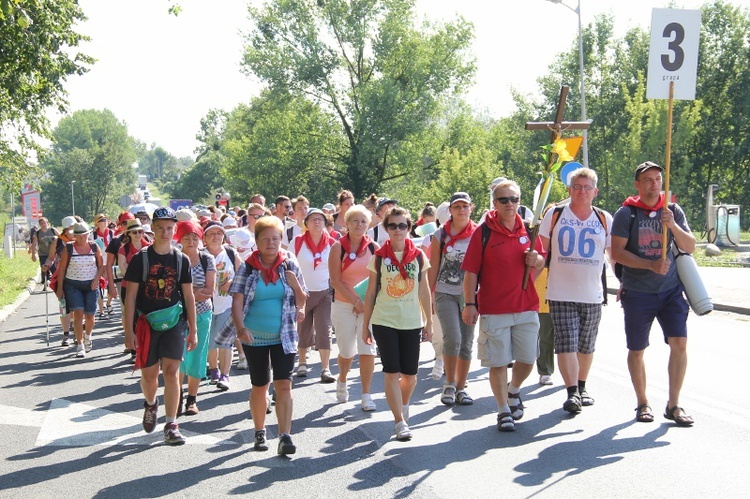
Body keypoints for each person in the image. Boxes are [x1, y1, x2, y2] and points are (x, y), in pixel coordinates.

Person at [610, 161, 696, 427]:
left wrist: (673, 227)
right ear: (637, 184)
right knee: (637, 349)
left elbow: (690, 246)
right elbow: (617, 253)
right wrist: (649, 264)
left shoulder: (672, 211)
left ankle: (674, 404)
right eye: (647, 180)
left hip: (670, 290)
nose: (654, 184)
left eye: (658, 179)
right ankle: (643, 402)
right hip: (638, 292)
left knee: (679, 344)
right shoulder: (626, 214)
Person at [217, 215, 308, 455]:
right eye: (266, 239)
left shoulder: (289, 264)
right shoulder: (248, 267)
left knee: (284, 385)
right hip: (253, 336)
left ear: (281, 240)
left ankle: (285, 435)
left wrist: (297, 291)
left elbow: (303, 298)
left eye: (275, 239)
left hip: (284, 334)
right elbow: (236, 302)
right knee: (260, 385)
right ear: (257, 241)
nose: (271, 243)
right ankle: (259, 431)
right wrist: (240, 329)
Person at [461, 179, 545, 432]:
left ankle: (514, 390)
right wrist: (469, 303)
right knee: (498, 362)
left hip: (526, 306)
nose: (510, 204)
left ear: (520, 201)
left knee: (528, 359)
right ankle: (502, 410)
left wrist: (537, 259)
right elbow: (470, 273)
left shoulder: (530, 230)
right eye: (504, 199)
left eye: (514, 199)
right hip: (494, 309)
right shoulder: (484, 231)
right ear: (495, 203)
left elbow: (539, 265)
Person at [539, 168, 613, 413]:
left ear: (595, 191)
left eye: (587, 187)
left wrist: (624, 283)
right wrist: (530, 277)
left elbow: (613, 257)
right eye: (577, 187)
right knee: (566, 343)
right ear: (569, 190)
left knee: (586, 345)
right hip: (560, 292)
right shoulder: (556, 215)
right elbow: (542, 253)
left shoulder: (604, 218)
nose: (582, 191)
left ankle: (582, 386)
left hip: (592, 294)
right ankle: (572, 393)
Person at [123, 207, 198, 445]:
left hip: (174, 322)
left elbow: (188, 297)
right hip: (146, 323)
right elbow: (131, 297)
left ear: (174, 229)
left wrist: (193, 329)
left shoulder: (181, 260)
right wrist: (128, 331)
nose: (165, 232)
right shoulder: (140, 259)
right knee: (149, 375)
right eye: (160, 228)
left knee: (172, 373)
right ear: (152, 229)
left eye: (169, 228)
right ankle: (151, 404)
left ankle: (172, 424)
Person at [363, 207, 432, 441]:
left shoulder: (419, 256)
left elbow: (424, 290)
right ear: (386, 229)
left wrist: (429, 322)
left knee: (410, 375)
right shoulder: (379, 257)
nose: (398, 230)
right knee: (391, 372)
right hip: (385, 320)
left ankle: (402, 404)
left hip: (412, 320)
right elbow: (371, 293)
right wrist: (366, 325)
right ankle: (399, 421)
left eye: (403, 225)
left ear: (409, 228)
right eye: (393, 226)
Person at [428, 192, 478, 406]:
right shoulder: (441, 234)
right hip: (445, 291)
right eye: (456, 206)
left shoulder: (478, 233)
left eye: (465, 206)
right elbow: (433, 266)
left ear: (471, 208)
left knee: (466, 342)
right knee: (453, 338)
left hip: (470, 295)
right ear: (450, 210)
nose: (461, 210)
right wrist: (429, 294)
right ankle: (449, 384)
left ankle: (461, 387)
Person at [329, 204, 380, 410]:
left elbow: (379, 278)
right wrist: (355, 301)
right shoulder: (337, 247)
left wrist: (366, 303)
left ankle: (366, 394)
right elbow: (335, 280)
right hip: (343, 305)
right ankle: (342, 379)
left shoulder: (374, 248)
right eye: (355, 221)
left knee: (367, 348)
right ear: (347, 223)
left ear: (368, 225)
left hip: (368, 306)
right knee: (347, 350)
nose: (359, 225)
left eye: (363, 221)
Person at [289, 208, 336, 382]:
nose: (317, 222)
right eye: (313, 219)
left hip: (324, 293)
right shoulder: (298, 242)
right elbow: (289, 266)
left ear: (325, 223)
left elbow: (337, 269)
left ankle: (325, 368)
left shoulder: (332, 243)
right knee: (304, 328)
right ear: (306, 223)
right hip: (303, 293)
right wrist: (294, 290)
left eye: (320, 219)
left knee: (324, 329)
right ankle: (302, 363)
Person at [175, 220, 216, 415]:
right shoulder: (174, 258)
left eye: (195, 237)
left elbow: (209, 291)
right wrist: (193, 292)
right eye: (186, 238)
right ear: (179, 239)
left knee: (197, 357)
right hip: (177, 315)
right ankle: (177, 396)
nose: (191, 241)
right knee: (178, 357)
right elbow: (171, 291)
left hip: (201, 314)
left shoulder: (207, 259)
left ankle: (192, 400)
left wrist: (186, 293)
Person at [54, 222, 105, 358]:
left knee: (90, 316)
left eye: (84, 235)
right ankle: (80, 345)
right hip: (73, 285)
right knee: (78, 314)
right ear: (75, 236)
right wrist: (60, 288)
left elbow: (101, 266)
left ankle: (87, 336)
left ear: (88, 234)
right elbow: (62, 269)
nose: (82, 238)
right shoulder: (69, 248)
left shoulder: (94, 247)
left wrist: (96, 280)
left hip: (91, 285)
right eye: (79, 236)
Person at [30, 217, 59, 290]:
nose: (43, 224)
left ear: (47, 223)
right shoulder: (38, 233)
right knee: (44, 268)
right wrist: (33, 254)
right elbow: (34, 244)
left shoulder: (53, 230)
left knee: (54, 269)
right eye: (41, 223)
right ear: (39, 225)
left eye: (44, 223)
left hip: (53, 254)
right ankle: (45, 282)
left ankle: (57, 283)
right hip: (43, 253)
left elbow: (61, 237)